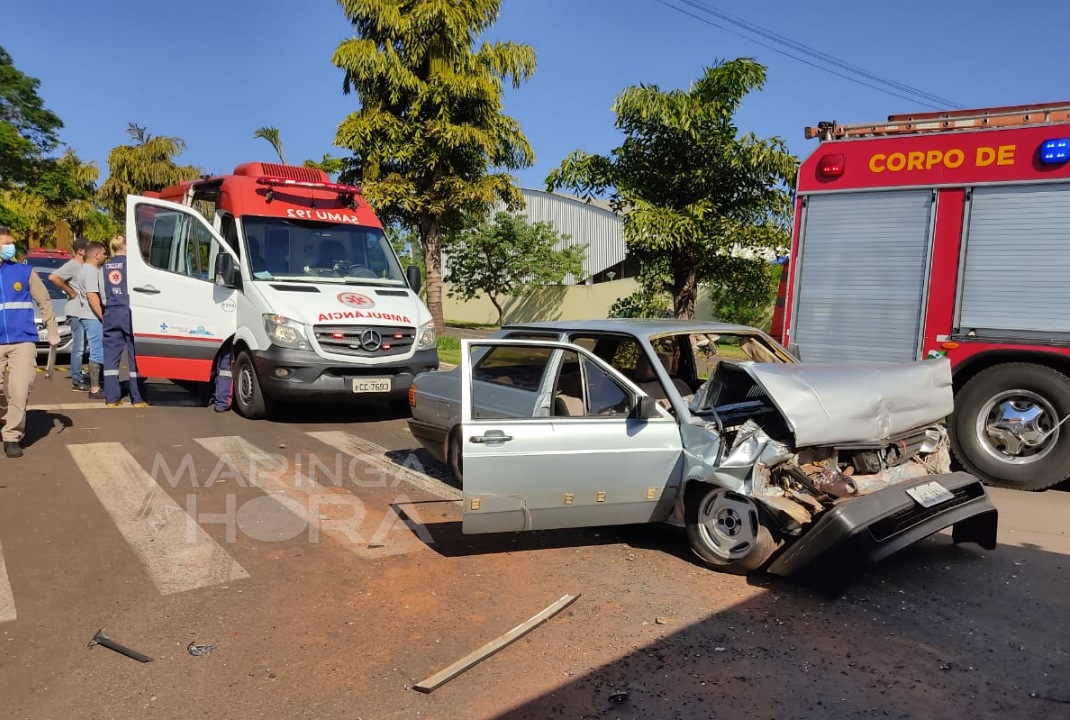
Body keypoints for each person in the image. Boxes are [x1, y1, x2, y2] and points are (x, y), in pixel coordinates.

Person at [0, 227, 60, 458]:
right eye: (5, 243)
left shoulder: (25, 272)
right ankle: (4, 412)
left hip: (23, 339)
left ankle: (11, 435)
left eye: (11, 243)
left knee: (20, 387)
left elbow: (44, 301)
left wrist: (52, 330)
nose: (10, 247)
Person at [102, 235, 147, 407]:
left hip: (111, 312)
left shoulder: (105, 266)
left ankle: (112, 398)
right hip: (128, 311)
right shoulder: (131, 265)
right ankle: (138, 398)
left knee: (110, 358)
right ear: (125, 247)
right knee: (134, 355)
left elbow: (102, 292)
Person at [48, 237, 89, 390]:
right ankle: (77, 379)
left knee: (84, 345)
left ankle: (80, 374)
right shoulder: (72, 265)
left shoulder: (85, 266)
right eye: (88, 249)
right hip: (75, 311)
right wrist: (71, 291)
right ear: (80, 251)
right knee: (78, 346)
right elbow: (53, 277)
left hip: (85, 312)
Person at [74, 241, 107, 399]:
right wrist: (103, 316)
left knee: (97, 350)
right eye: (104, 253)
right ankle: (95, 388)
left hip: (87, 315)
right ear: (97, 255)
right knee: (97, 351)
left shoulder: (84, 270)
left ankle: (99, 383)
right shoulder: (91, 272)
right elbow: (92, 296)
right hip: (92, 316)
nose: (105, 256)